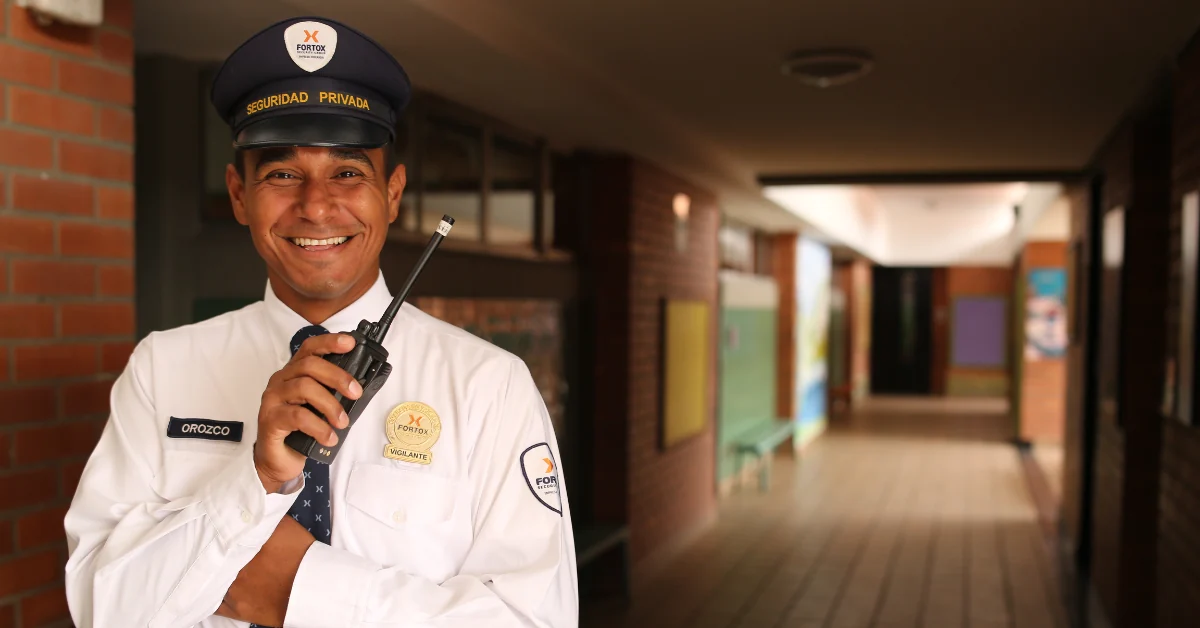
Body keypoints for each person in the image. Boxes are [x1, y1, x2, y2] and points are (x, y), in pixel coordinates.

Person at [63, 15, 578, 628]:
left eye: (348, 173)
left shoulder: (489, 385)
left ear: (392, 193)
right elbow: (101, 606)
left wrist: (299, 590)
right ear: (239, 194)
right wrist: (254, 482)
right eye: (282, 174)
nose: (315, 206)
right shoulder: (162, 367)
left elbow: (535, 619)